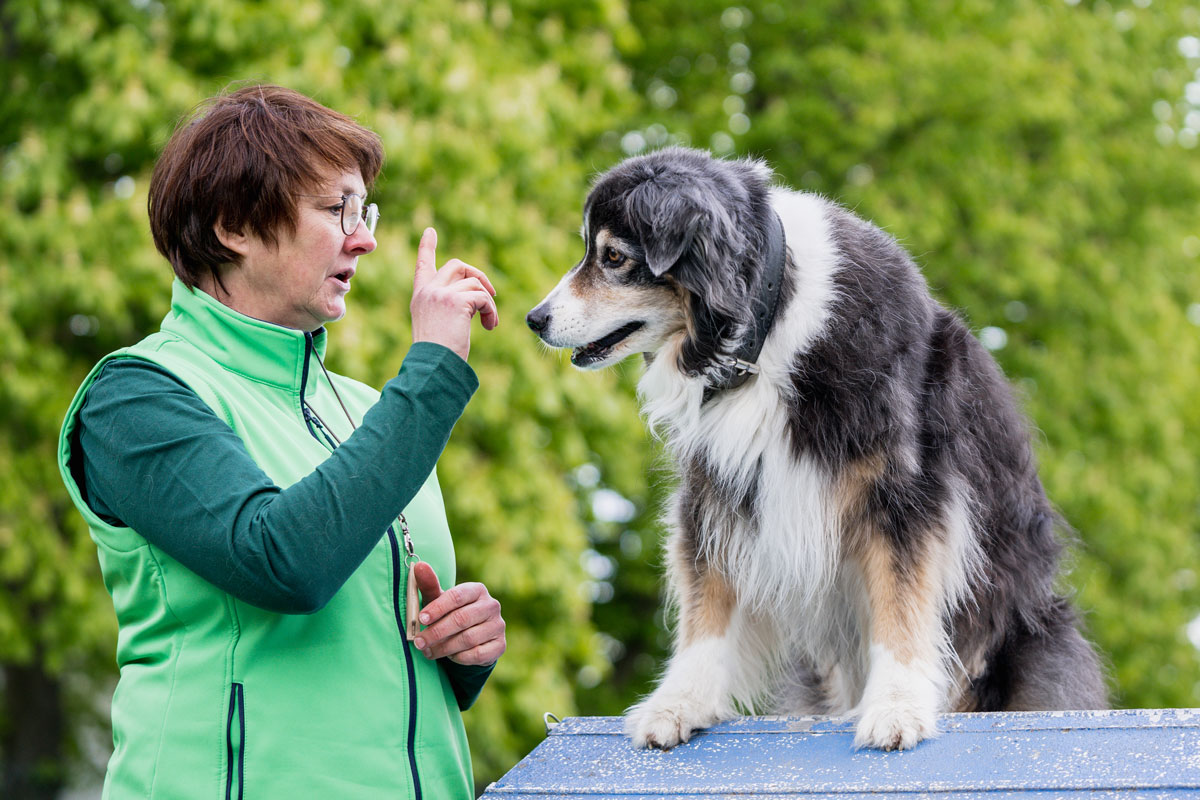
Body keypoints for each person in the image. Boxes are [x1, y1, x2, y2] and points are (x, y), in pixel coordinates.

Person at [56, 84, 505, 799]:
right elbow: (285, 560)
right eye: (338, 210)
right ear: (234, 225)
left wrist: (463, 649)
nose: (366, 238)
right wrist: (433, 372)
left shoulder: (367, 410)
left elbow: (364, 640)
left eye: (367, 212)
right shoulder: (137, 397)